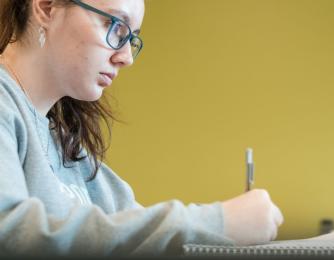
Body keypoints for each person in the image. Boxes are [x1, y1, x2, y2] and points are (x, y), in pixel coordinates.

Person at [0, 0, 284, 257]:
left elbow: (136, 236)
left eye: (131, 38)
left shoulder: (72, 153)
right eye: (115, 26)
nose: (126, 57)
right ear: (47, 7)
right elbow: (10, 236)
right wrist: (219, 223)